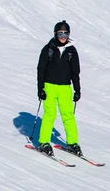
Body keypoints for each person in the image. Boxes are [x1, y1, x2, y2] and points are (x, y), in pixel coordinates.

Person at [36, 20, 82, 157]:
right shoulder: (48, 49)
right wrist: (40, 88)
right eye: (60, 33)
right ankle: (44, 141)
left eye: (65, 33)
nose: (63, 36)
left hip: (65, 88)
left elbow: (75, 72)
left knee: (68, 116)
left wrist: (77, 90)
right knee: (49, 114)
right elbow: (41, 70)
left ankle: (72, 143)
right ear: (55, 34)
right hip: (49, 86)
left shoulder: (72, 51)